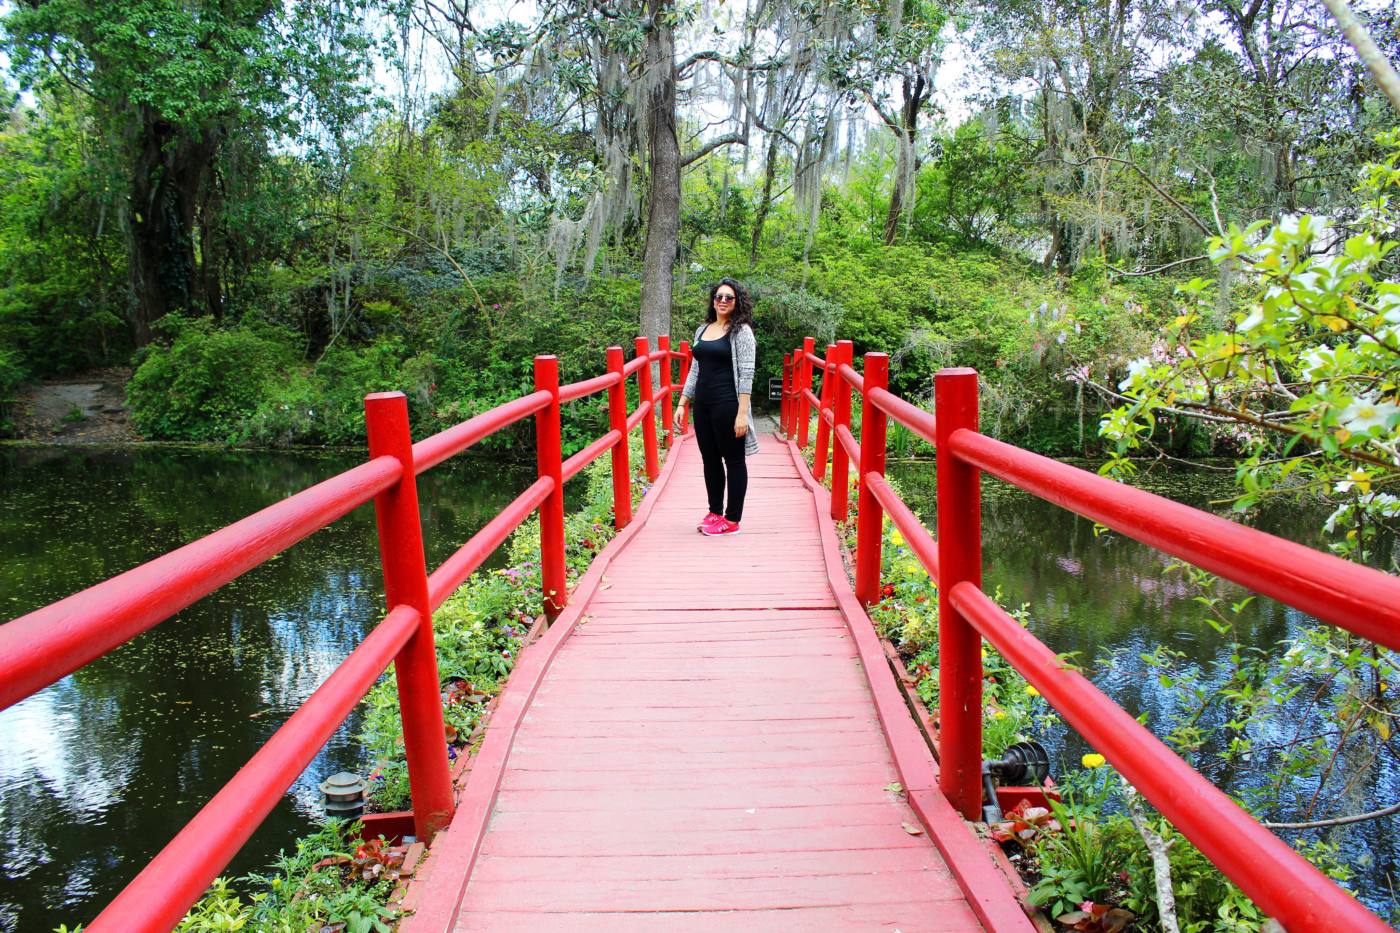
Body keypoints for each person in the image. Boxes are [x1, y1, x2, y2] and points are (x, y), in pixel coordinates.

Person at [674, 277, 759, 537]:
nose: (723, 301)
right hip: (704, 405)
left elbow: (747, 373)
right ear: (713, 300)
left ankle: (732, 520)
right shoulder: (703, 330)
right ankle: (714, 512)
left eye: (729, 298)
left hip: (728, 404)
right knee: (709, 460)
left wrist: (742, 413)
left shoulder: (741, 331)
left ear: (737, 302)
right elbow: (695, 368)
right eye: (719, 297)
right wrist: (683, 401)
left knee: (733, 460)